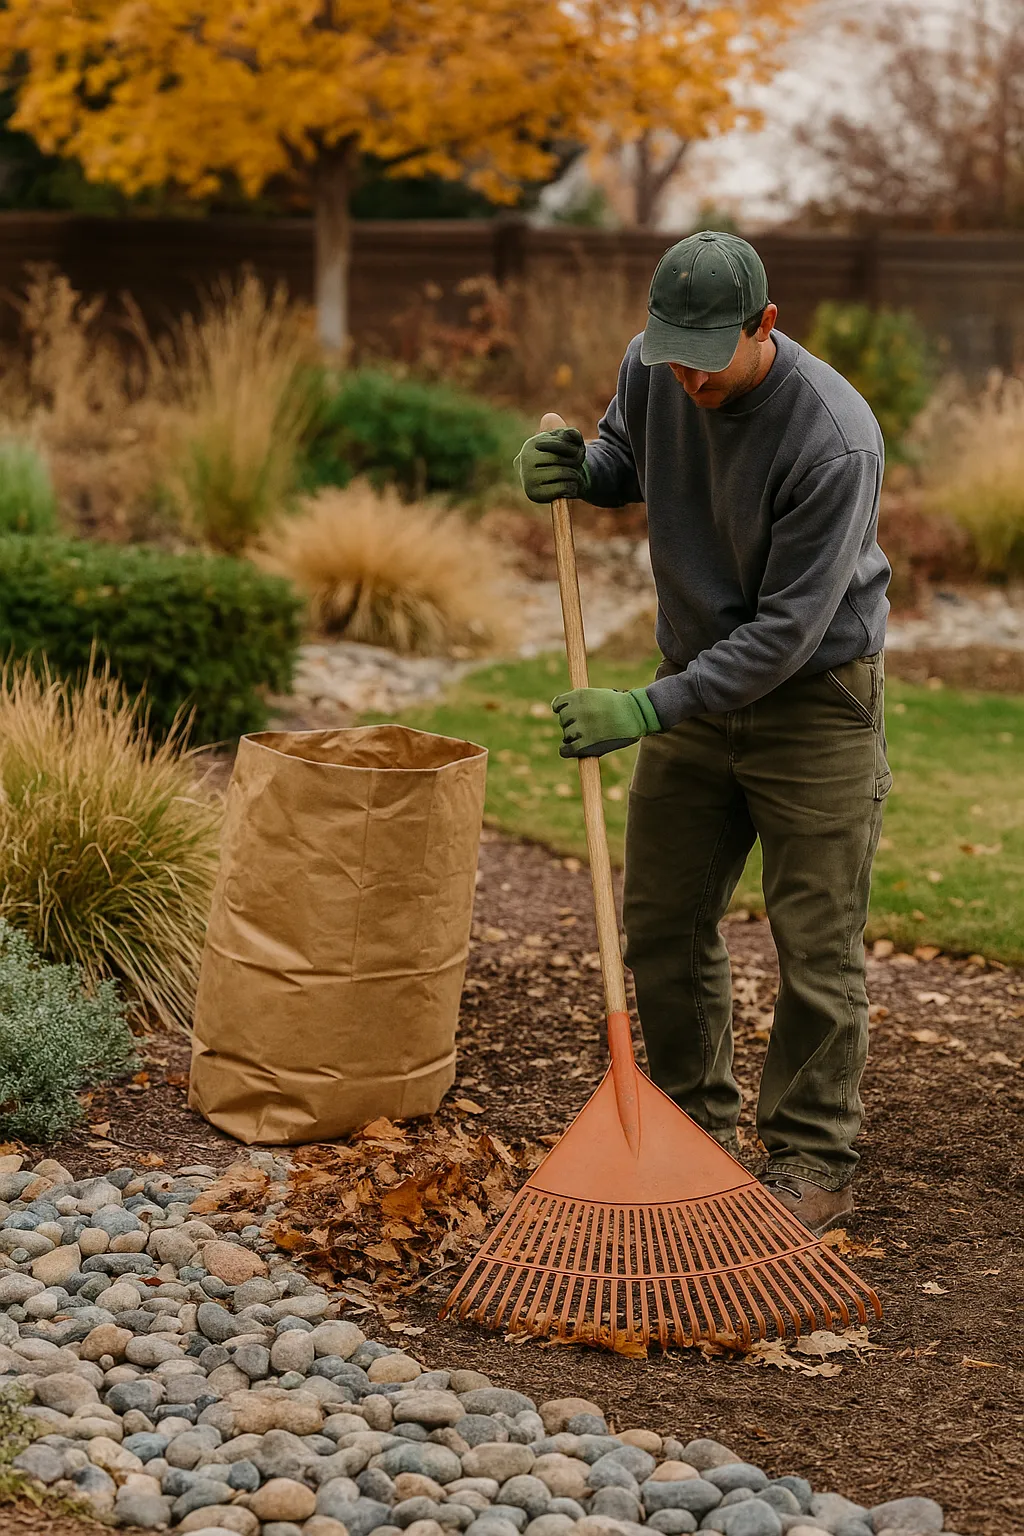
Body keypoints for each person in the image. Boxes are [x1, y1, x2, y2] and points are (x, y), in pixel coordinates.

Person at [515, 231, 891, 1236]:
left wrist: (643, 708)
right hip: (692, 683)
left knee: (814, 941)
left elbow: (784, 631)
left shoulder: (832, 437)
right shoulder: (659, 372)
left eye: (705, 355)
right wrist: (580, 471)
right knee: (664, 922)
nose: (685, 375)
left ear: (763, 326)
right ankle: (688, 1129)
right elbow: (624, 453)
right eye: (669, 352)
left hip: (812, 702)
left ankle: (813, 1158)